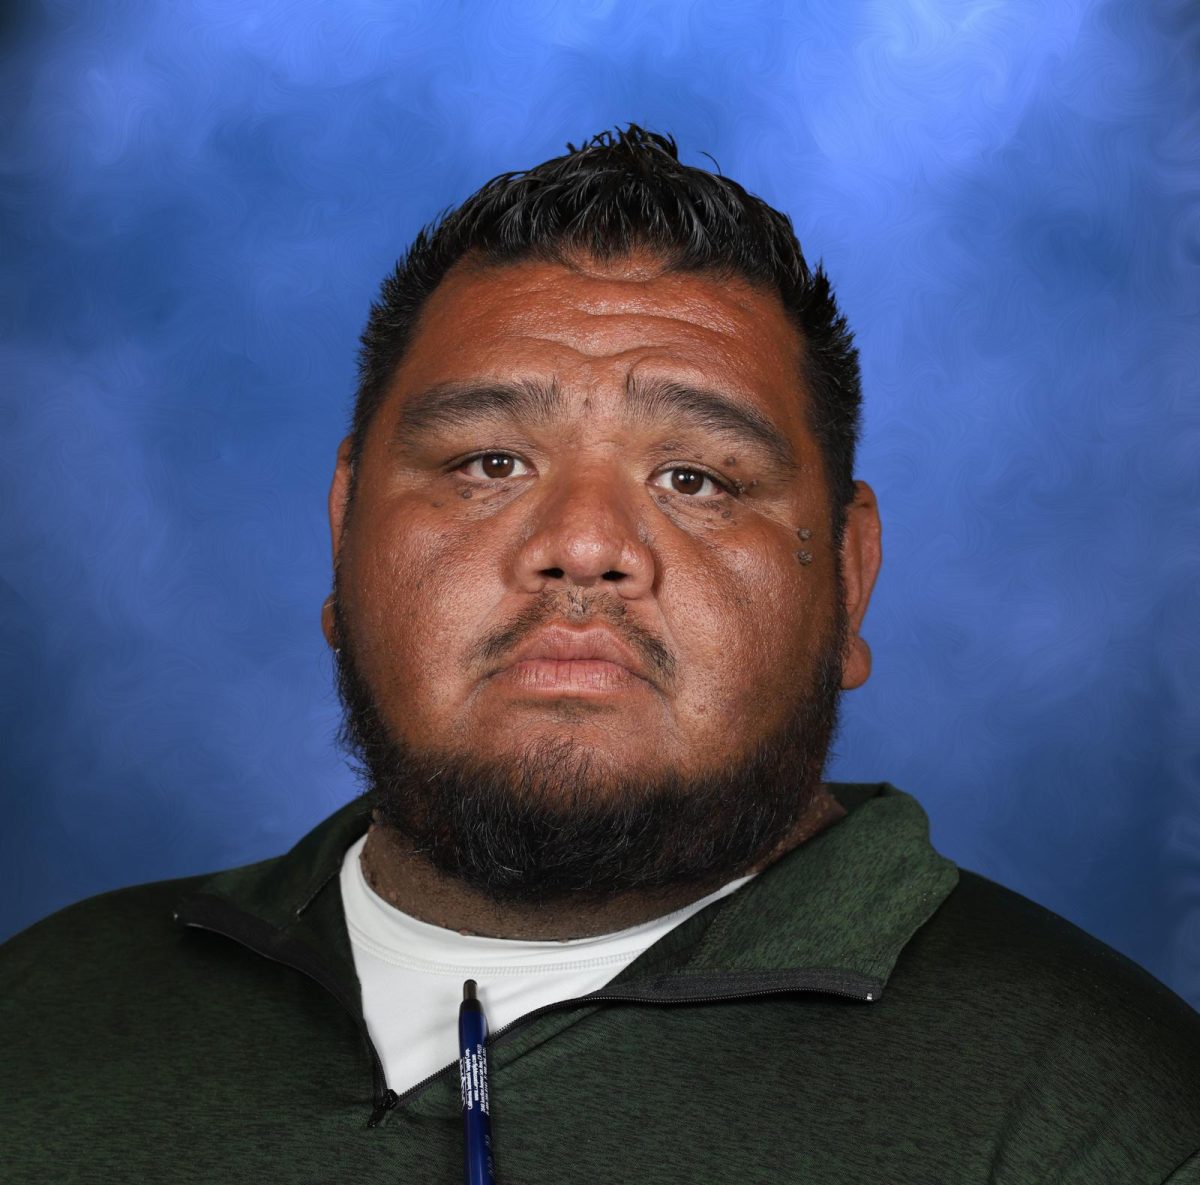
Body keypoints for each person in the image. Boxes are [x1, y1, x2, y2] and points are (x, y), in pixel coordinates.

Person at [2, 126, 1197, 1184]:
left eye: (695, 478)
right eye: (489, 463)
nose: (582, 545)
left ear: (847, 578)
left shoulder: (1109, 1122)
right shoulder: (38, 1016)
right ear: (344, 533)